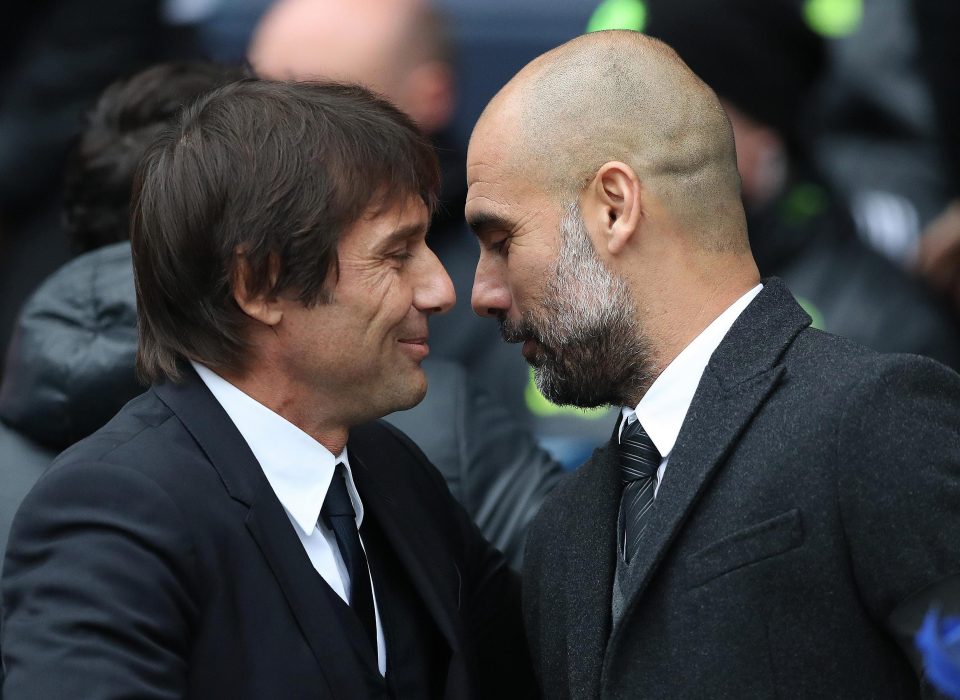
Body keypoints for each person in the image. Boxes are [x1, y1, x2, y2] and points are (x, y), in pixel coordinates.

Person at [466, 30, 960, 698]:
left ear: (614, 207)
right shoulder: (565, 532)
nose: (481, 295)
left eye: (502, 241)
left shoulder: (873, 420)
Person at [2, 79, 534, 698]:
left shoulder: (395, 475)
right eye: (396, 255)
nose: (441, 290)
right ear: (258, 284)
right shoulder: (111, 515)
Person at [248, 0, 619, 465]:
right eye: (257, 96)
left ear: (430, 95)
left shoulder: (528, 275)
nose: (265, 137)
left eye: (316, 107)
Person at [639, 0, 960, 370]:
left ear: (765, 140)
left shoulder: (881, 321)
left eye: (686, 114)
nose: (651, 142)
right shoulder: (607, 279)